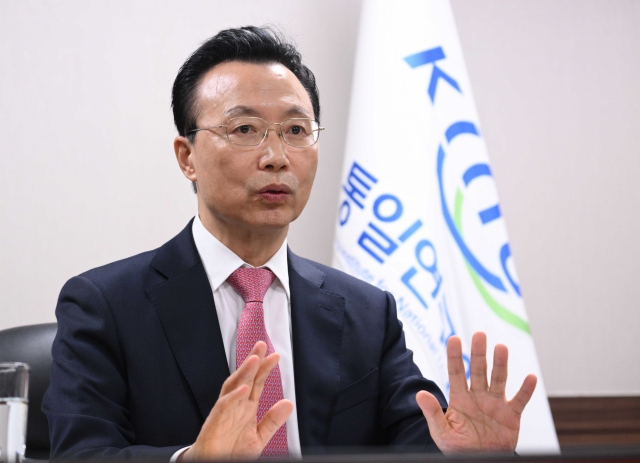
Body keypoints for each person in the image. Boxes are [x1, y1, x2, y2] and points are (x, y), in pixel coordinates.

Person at [42, 26, 537, 460]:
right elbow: (81, 452)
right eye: (245, 130)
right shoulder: (105, 306)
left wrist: (469, 457)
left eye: (296, 130)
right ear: (187, 157)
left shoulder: (367, 313)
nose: (277, 156)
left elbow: (412, 442)